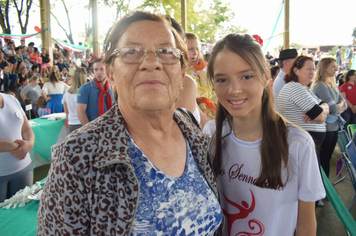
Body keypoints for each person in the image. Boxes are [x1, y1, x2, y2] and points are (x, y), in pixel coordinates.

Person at [37, 11, 222, 235]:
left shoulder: (189, 126)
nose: (151, 63)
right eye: (132, 52)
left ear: (182, 72)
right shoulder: (77, 156)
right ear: (111, 73)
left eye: (165, 51)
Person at [203, 33, 325, 235]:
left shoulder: (297, 144)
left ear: (265, 77)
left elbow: (305, 223)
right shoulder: (211, 134)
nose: (234, 90)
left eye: (247, 76)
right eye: (222, 79)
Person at [278, 55, 329, 161]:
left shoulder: (305, 89)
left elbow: (325, 105)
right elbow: (319, 117)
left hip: (308, 142)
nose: (312, 72)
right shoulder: (294, 87)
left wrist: (322, 108)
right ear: (296, 71)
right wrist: (320, 111)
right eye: (308, 69)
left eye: (313, 69)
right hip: (302, 143)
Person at [310, 57, 347, 179]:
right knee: (323, 159)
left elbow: (344, 104)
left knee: (327, 158)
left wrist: (338, 106)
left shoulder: (332, 84)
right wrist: (339, 106)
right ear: (325, 68)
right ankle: (322, 188)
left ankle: (325, 188)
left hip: (334, 125)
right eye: (333, 66)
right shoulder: (320, 86)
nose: (336, 69)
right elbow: (334, 108)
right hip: (325, 127)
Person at [0, 92, 35, 202]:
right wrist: (15, 146)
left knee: (22, 214)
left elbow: (26, 129)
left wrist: (29, 144)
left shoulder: (11, 99)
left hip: (23, 169)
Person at [185, 32, 217, 118]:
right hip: (194, 102)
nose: (195, 53)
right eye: (190, 49)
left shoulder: (200, 67)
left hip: (207, 98)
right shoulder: (180, 69)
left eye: (196, 49)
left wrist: (201, 70)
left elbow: (208, 86)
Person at [77, 58, 115, 125]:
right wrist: (90, 131)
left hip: (111, 128)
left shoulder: (112, 88)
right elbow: (80, 112)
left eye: (101, 69)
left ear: (107, 70)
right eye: (96, 69)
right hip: (93, 129)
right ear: (93, 71)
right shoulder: (85, 89)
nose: (98, 72)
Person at [63, 68, 86, 133]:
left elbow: (66, 111)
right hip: (83, 123)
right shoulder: (84, 92)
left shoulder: (67, 93)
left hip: (71, 123)